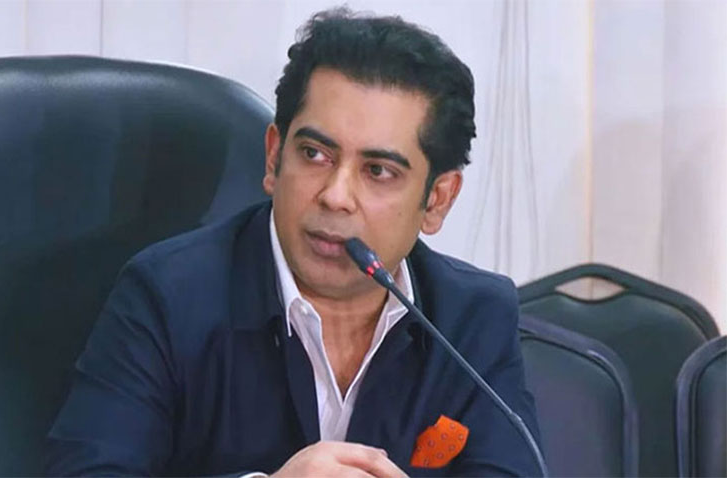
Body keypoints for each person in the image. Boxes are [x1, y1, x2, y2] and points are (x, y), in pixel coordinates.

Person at [46, 7, 541, 477]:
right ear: (273, 157)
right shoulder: (167, 296)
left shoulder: (472, 318)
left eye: (377, 171)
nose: (335, 196)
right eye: (315, 154)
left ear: (437, 200)